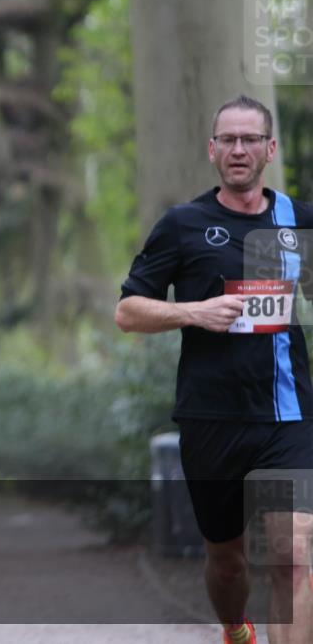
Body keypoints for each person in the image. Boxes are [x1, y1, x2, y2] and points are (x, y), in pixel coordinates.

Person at [115, 95, 313, 644]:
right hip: (212, 419)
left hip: (288, 416)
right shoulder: (184, 224)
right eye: (228, 139)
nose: (239, 149)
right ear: (212, 150)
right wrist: (193, 312)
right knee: (227, 562)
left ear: (270, 149)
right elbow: (128, 312)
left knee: (294, 558)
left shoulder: (298, 220)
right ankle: (234, 627)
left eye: (250, 139)